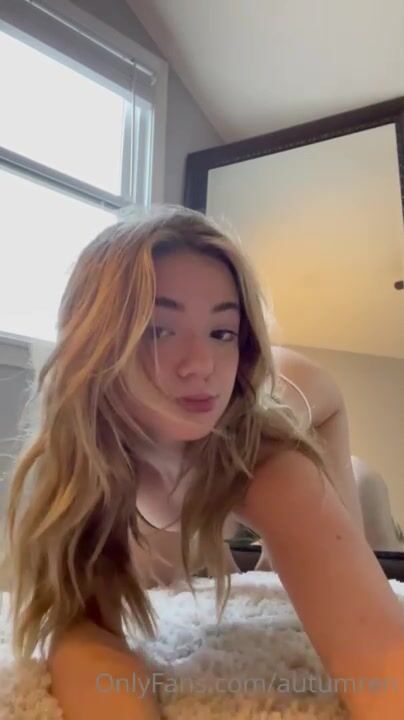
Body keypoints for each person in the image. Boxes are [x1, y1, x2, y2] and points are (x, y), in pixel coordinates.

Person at [5, 206, 404, 720]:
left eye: (222, 332)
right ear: (95, 344)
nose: (201, 366)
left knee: (326, 565)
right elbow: (80, 629)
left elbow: (380, 660)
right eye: (159, 330)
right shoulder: (74, 466)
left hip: (315, 404)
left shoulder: (269, 463)